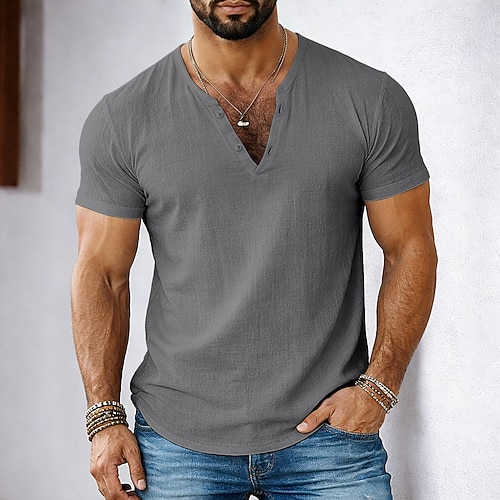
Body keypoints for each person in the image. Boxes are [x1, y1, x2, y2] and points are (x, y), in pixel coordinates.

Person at [71, 1, 437, 499]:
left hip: (329, 439)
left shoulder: (368, 97)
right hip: (177, 440)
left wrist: (380, 386)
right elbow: (101, 274)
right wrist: (104, 417)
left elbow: (410, 246)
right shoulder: (123, 118)